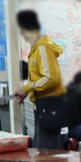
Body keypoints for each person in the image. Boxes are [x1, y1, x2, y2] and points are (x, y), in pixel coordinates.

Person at [13, 9, 66, 149]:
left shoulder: (43, 47)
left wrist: (27, 88)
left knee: (46, 156)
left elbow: (50, 78)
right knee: (42, 153)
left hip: (49, 107)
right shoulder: (36, 48)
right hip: (42, 105)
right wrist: (28, 92)